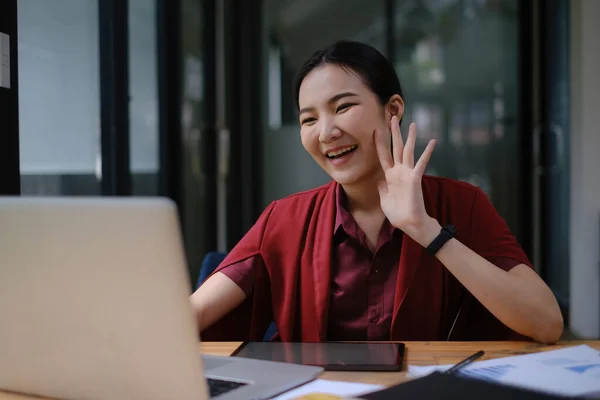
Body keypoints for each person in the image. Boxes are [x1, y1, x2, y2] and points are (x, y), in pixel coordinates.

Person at [190, 40, 563, 344]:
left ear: (393, 110)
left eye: (343, 107)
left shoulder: (461, 204)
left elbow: (546, 323)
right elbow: (196, 314)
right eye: (309, 119)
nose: (325, 133)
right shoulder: (284, 219)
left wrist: (426, 231)